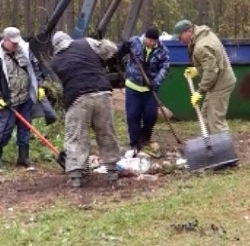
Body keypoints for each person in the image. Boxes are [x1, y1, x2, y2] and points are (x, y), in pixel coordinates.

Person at [49, 30, 123, 188]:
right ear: (69, 39)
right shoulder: (85, 42)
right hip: (103, 92)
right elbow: (110, 49)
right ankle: (112, 172)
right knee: (106, 132)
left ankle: (76, 176)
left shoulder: (55, 62)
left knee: (76, 136)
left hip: (78, 98)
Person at [0, 27, 48, 168]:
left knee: (25, 128)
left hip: (25, 98)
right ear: (5, 40)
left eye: (17, 42)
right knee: (4, 129)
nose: (16, 45)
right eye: (13, 43)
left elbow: (35, 68)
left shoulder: (24, 50)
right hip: (8, 100)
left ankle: (23, 157)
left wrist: (39, 87)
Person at [172, 19, 236, 135]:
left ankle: (223, 151)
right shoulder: (206, 34)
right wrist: (196, 70)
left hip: (220, 83)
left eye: (180, 36)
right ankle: (209, 147)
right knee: (205, 116)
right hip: (219, 78)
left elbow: (211, 72)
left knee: (215, 120)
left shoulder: (200, 46)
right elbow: (214, 63)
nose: (179, 40)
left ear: (189, 31)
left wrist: (200, 91)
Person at [115, 26, 170, 157]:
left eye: (153, 41)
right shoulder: (134, 42)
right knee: (133, 115)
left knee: (151, 115)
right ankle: (134, 142)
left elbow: (165, 66)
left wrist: (155, 81)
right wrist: (123, 49)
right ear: (144, 36)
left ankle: (144, 138)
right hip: (133, 86)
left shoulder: (162, 50)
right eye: (149, 39)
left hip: (150, 89)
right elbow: (117, 55)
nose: (150, 43)